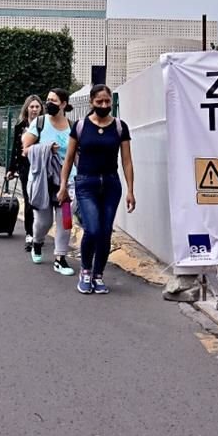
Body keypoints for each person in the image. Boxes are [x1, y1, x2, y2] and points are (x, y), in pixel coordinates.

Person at [58, 84, 135, 294]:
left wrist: (130, 190)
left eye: (107, 101)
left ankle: (98, 274)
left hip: (111, 184)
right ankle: (85, 270)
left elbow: (127, 161)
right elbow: (69, 158)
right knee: (92, 229)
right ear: (92, 102)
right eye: (99, 101)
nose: (104, 105)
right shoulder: (81, 126)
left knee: (105, 232)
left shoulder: (120, 127)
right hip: (86, 183)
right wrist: (63, 185)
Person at [21, 88, 76, 276]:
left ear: (63, 104)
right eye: (47, 100)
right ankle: (37, 241)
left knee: (65, 220)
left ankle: (60, 258)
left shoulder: (72, 126)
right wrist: (45, 149)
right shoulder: (40, 123)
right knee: (44, 221)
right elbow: (26, 149)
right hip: (43, 180)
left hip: (68, 181)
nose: (48, 103)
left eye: (53, 100)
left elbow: (77, 154)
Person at [6, 95, 43, 252]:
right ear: (27, 108)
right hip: (25, 168)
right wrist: (11, 169)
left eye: (37, 107)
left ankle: (39, 232)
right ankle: (30, 234)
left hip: (42, 167)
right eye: (32, 106)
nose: (34, 109)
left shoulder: (45, 126)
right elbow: (15, 149)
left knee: (40, 202)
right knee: (29, 200)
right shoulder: (20, 126)